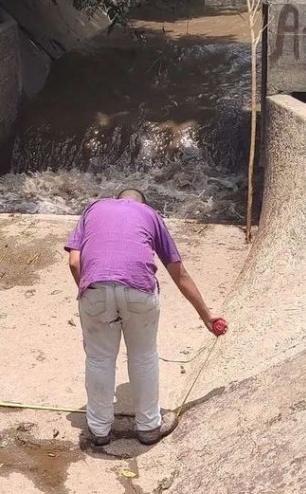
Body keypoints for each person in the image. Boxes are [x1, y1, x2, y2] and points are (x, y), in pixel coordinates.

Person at [65, 188, 226, 447]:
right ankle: (149, 427)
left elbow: (74, 262)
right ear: (142, 203)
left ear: (117, 198)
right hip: (138, 290)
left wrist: (90, 294)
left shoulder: (93, 208)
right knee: (143, 356)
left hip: (95, 288)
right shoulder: (150, 215)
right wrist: (206, 316)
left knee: (99, 358)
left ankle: (99, 430)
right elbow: (179, 273)